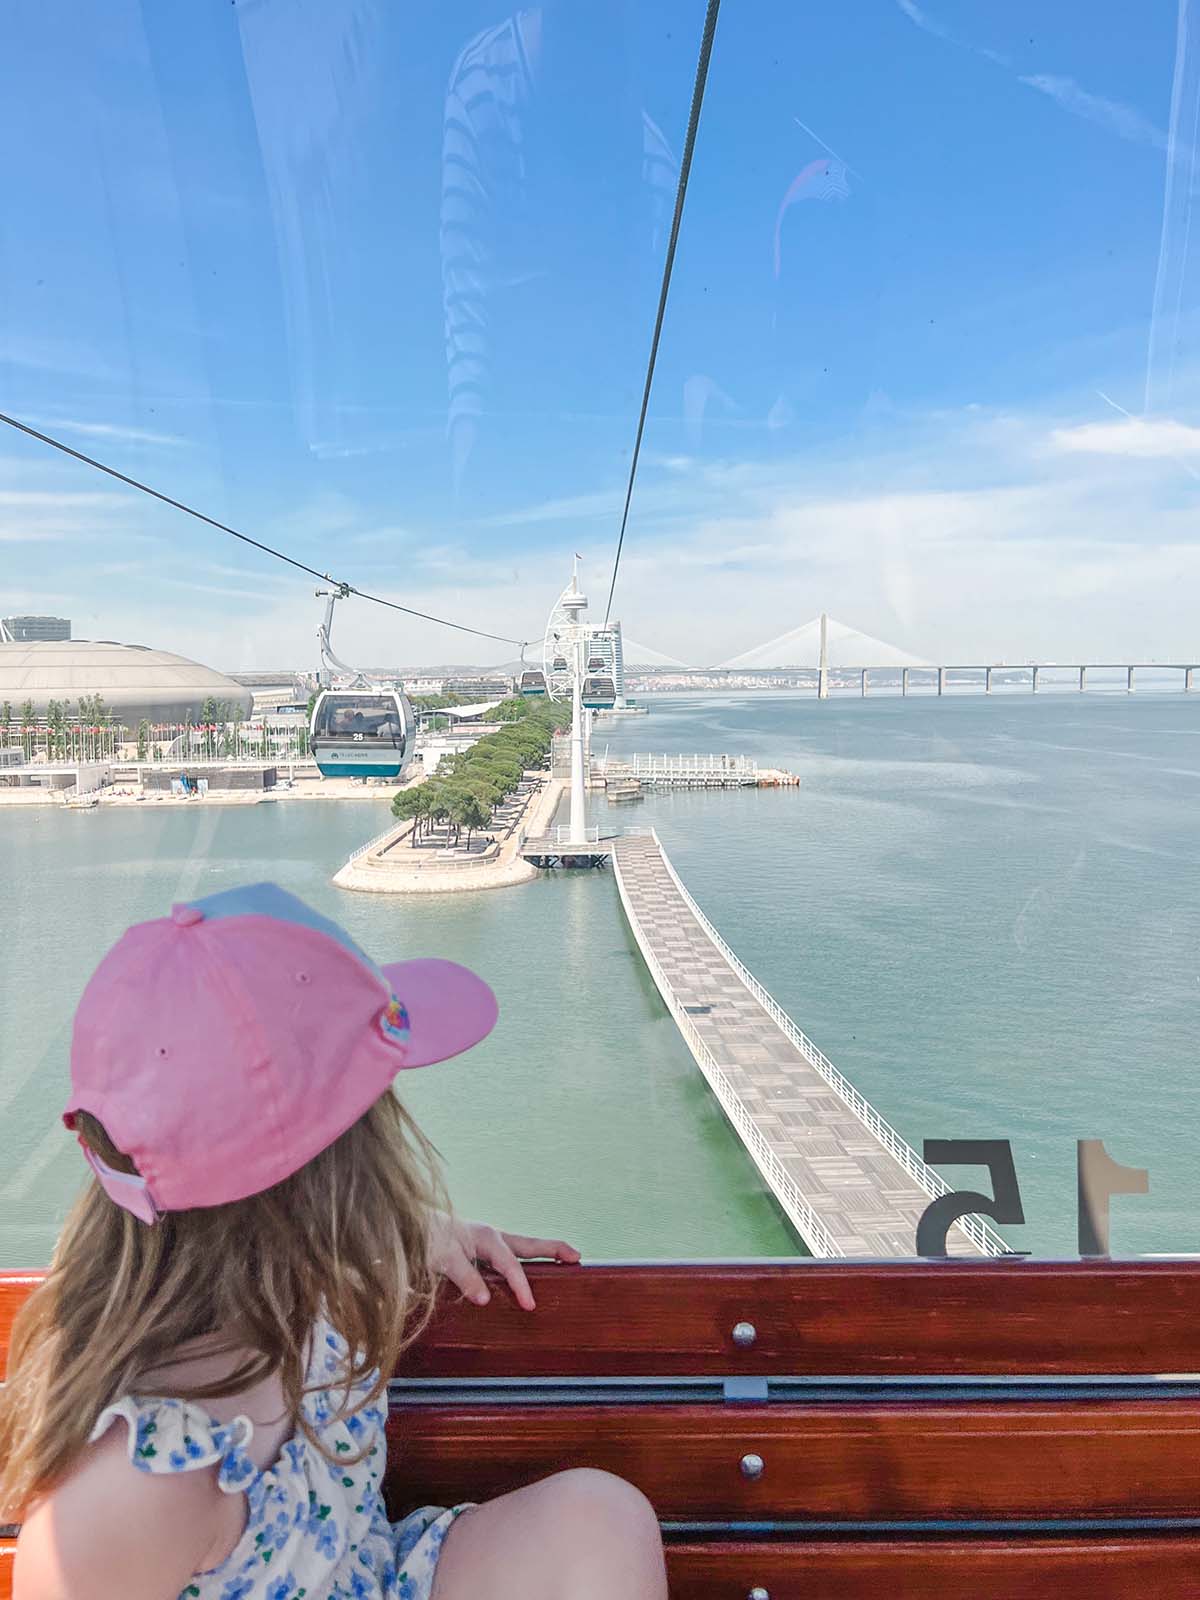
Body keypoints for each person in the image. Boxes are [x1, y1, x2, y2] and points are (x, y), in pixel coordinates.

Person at [0, 883, 666, 1600]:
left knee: (598, 1522)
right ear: (337, 1181)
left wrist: (417, 1237)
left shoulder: (306, 1293)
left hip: (370, 1577)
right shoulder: (136, 1489)